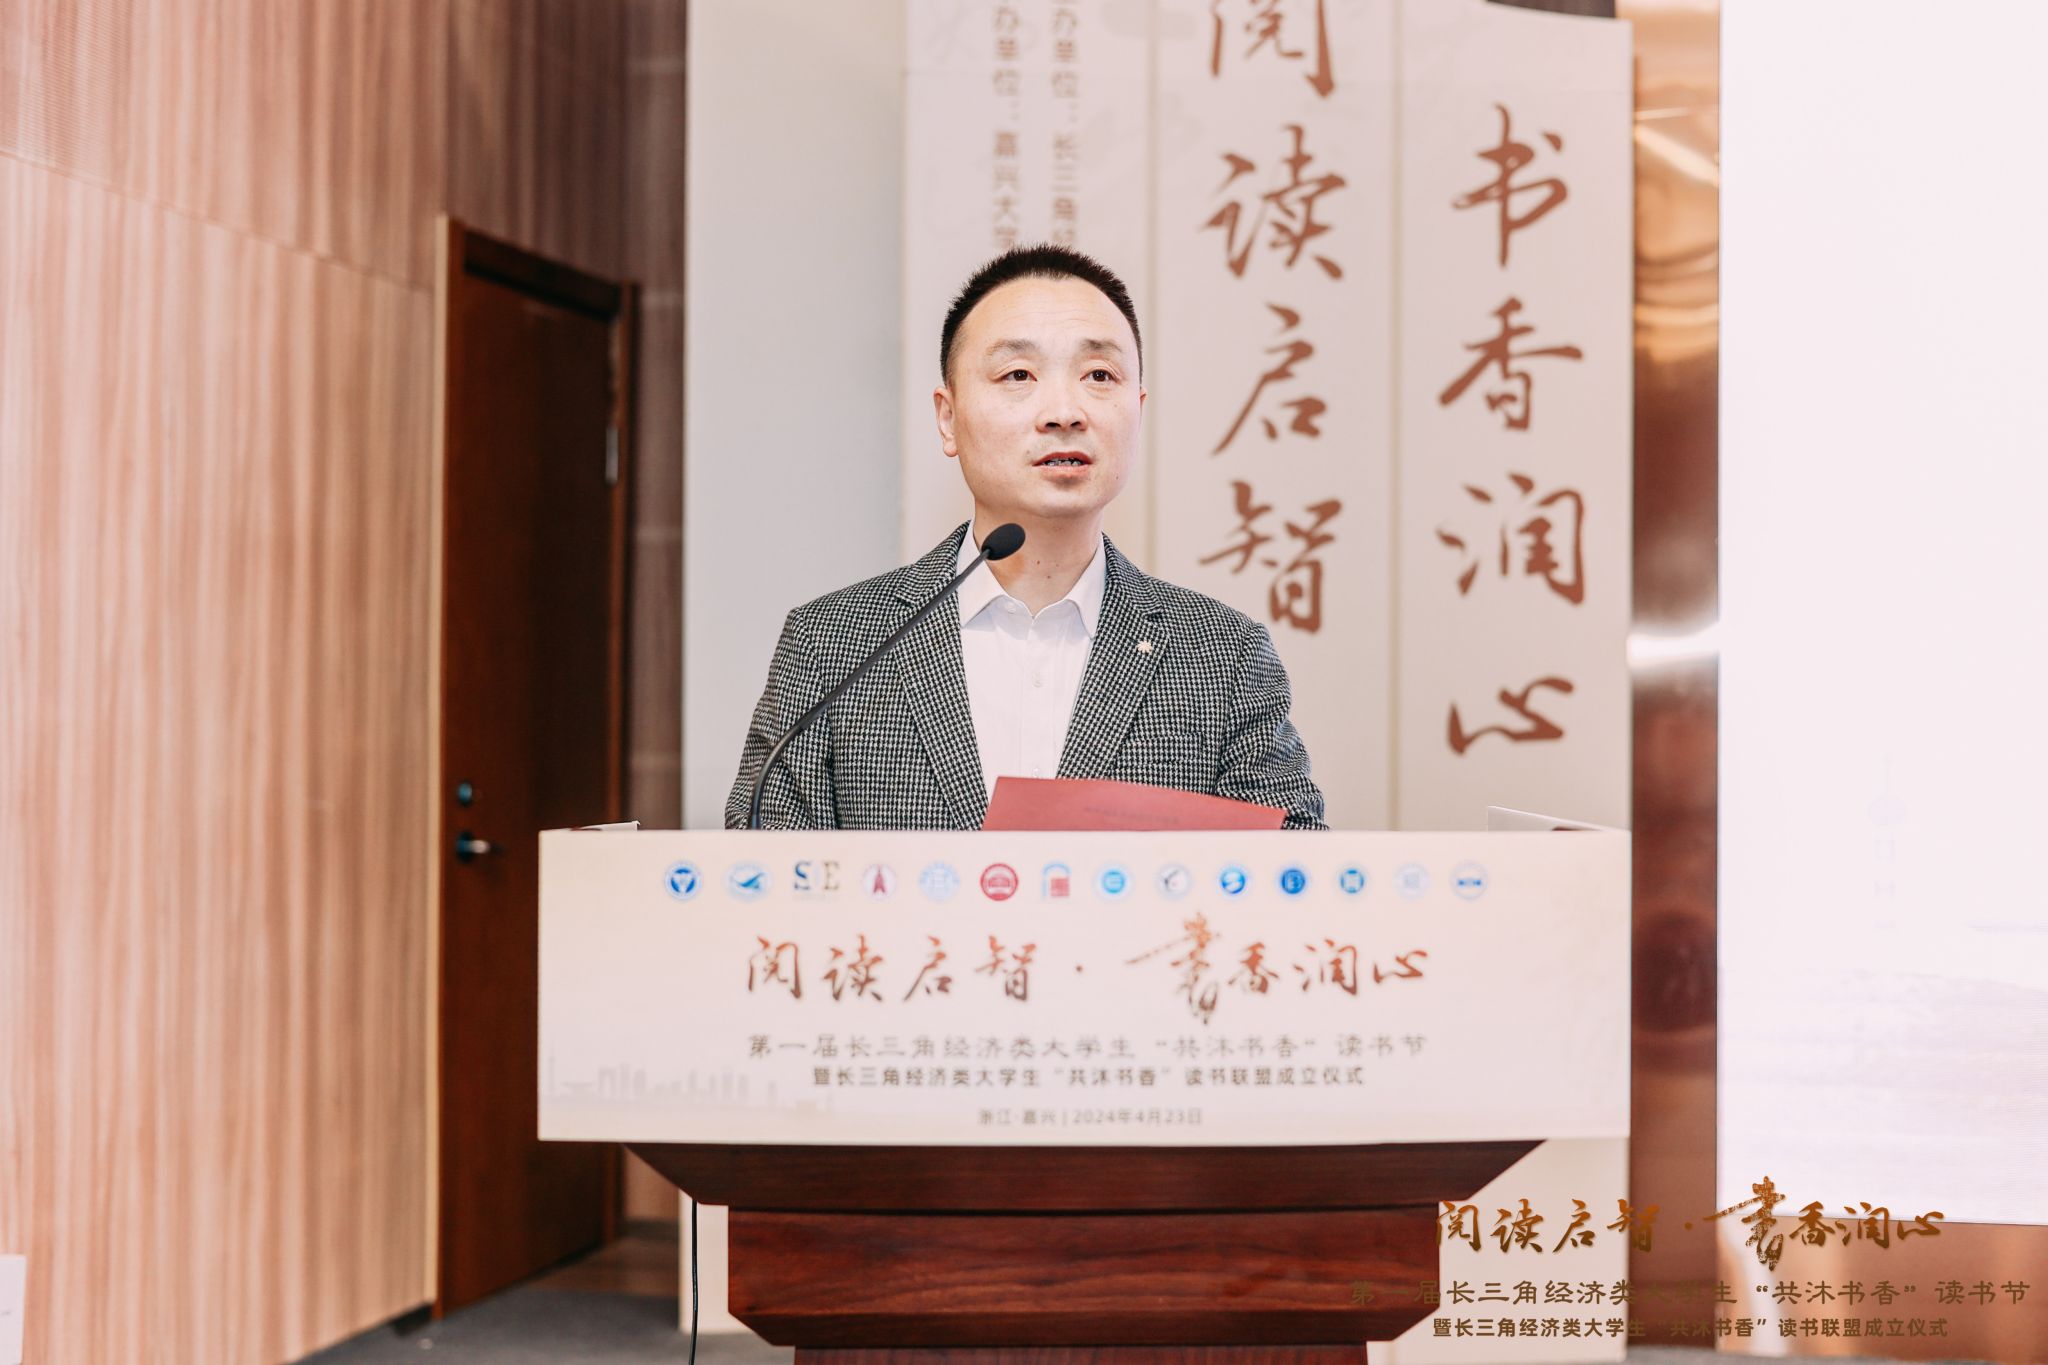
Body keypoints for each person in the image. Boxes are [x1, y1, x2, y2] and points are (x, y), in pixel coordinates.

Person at [726, 244, 1325, 830]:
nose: (1064, 412)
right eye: (1018, 374)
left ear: (1137, 411)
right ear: (948, 418)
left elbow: (1296, 871)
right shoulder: (834, 647)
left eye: (1099, 375)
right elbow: (760, 870)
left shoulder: (1223, 656)